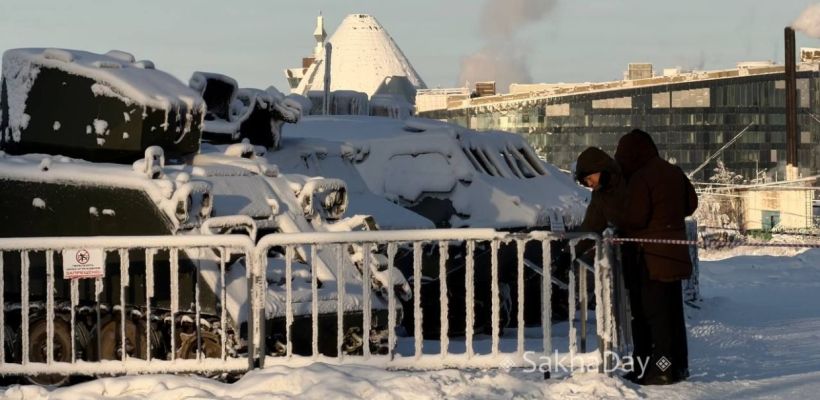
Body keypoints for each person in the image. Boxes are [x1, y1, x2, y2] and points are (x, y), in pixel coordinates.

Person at [614, 129, 698, 385]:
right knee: (672, 316)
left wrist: (619, 220)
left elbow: (636, 218)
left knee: (651, 319)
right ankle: (678, 366)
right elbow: (691, 204)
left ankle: (660, 369)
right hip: (673, 257)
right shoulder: (674, 172)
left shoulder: (641, 178)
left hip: (649, 259)